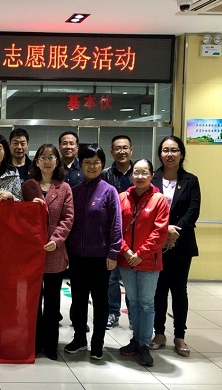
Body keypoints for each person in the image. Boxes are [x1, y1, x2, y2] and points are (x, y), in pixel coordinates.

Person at [64, 144, 122, 360]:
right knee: (78, 299)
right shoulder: (75, 191)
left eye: (96, 162)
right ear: (81, 164)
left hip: (100, 258)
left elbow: (116, 224)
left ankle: (98, 342)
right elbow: (68, 222)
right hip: (77, 256)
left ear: (102, 164)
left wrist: (113, 253)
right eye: (87, 162)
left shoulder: (109, 191)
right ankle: (79, 338)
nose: (91, 166)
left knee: (100, 301)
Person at [150, 135, 201, 358]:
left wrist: (174, 231)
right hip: (156, 244)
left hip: (181, 244)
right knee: (159, 290)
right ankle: (159, 334)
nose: (169, 154)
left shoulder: (191, 180)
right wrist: (164, 231)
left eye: (174, 150)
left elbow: (193, 210)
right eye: (165, 150)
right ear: (160, 154)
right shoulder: (152, 178)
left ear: (181, 153)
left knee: (179, 290)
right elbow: (147, 210)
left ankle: (179, 335)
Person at [22, 144, 74, 360]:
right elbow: (19, 216)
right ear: (36, 161)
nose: (46, 161)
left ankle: (51, 345)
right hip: (31, 252)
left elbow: (68, 218)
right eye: (42, 157)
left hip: (54, 252)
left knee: (52, 302)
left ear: (57, 161)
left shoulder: (64, 188)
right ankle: (33, 343)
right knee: (33, 301)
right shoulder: (28, 186)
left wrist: (56, 240)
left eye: (51, 157)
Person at [118, 158, 169, 367]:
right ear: (131, 175)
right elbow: (115, 228)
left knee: (147, 304)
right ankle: (136, 340)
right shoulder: (122, 197)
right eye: (136, 172)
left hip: (148, 262)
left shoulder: (159, 199)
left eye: (144, 172)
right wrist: (126, 251)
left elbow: (160, 231)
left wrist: (140, 254)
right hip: (126, 260)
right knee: (133, 302)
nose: (140, 176)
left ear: (152, 175)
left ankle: (144, 344)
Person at [101, 135, 134, 330]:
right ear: (112, 152)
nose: (121, 151)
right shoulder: (105, 175)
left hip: (134, 235)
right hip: (111, 234)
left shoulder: (138, 173)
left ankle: (133, 316)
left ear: (131, 150)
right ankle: (113, 312)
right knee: (111, 278)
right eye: (117, 148)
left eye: (125, 148)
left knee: (131, 278)